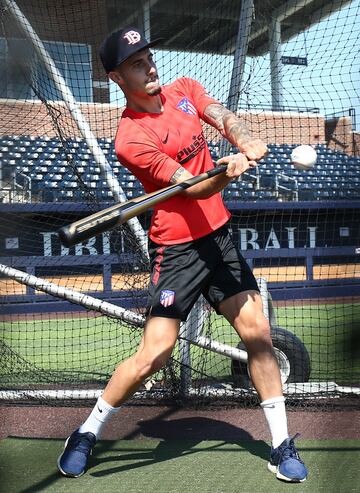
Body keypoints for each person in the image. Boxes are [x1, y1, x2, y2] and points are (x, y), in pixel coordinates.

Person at [57, 26, 308, 483]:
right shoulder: (130, 139)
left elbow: (222, 115)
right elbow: (193, 189)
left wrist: (244, 140)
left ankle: (279, 445)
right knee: (156, 353)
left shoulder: (185, 90)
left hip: (221, 239)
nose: (149, 66)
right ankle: (87, 432)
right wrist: (228, 173)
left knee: (258, 334)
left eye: (148, 57)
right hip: (177, 250)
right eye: (136, 63)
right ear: (117, 78)